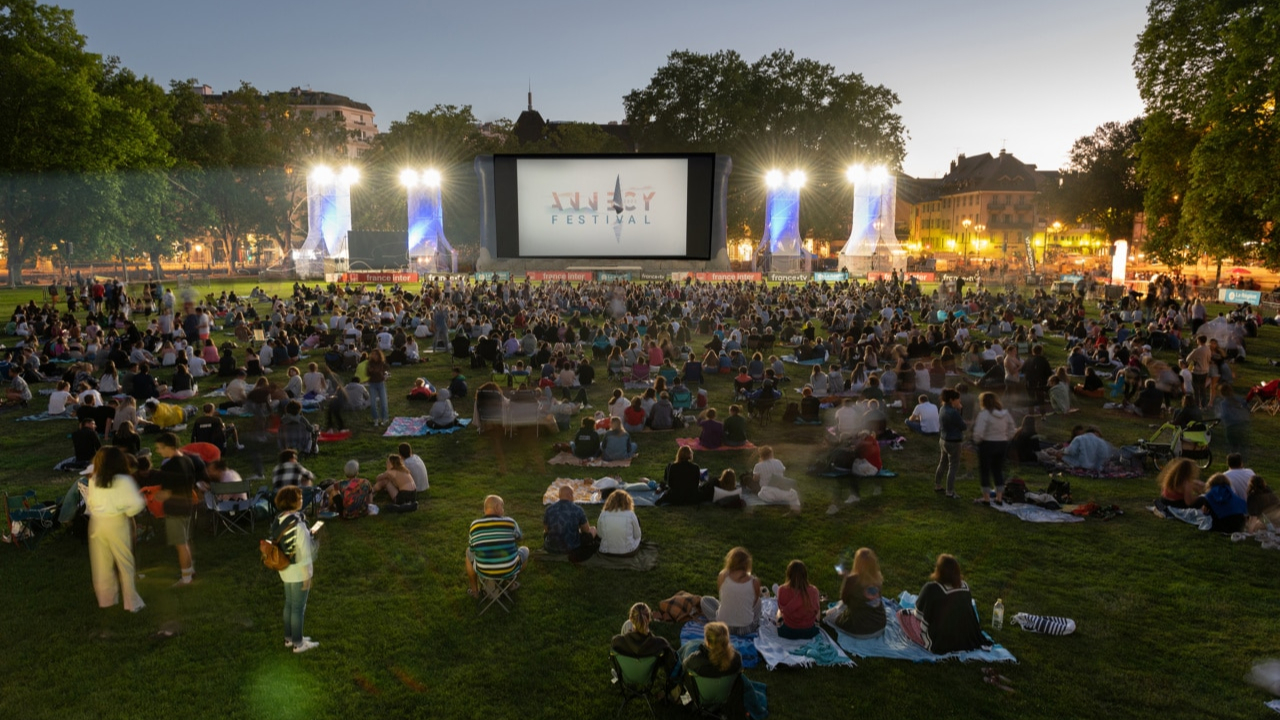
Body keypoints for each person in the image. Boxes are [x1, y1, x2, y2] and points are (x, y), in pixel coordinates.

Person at [85, 447, 146, 613]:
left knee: (101, 563)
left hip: (97, 523)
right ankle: (131, 602)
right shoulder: (124, 481)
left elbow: (90, 503)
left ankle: (106, 600)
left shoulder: (94, 479)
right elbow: (135, 507)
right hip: (117, 522)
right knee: (125, 562)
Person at [898, 554, 989, 655]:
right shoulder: (965, 587)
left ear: (939, 571)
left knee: (902, 615)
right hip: (964, 637)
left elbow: (919, 614)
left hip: (941, 641)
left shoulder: (931, 589)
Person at [270, 485, 320, 653]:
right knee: (299, 608)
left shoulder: (279, 520)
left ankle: (289, 638)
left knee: (289, 604)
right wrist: (307, 576)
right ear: (293, 502)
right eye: (299, 498)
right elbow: (305, 553)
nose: (301, 501)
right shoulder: (299, 524)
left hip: (284, 569)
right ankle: (298, 643)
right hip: (299, 570)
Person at [154, 432, 202, 585]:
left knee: (181, 545)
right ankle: (190, 569)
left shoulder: (169, 466)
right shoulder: (188, 460)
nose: (158, 451)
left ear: (169, 447)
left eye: (160, 448)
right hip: (188, 506)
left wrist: (155, 497)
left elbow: (167, 493)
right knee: (186, 541)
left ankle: (186, 578)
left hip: (175, 510)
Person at [465, 495, 529, 598]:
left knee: (468, 552)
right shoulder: (510, 522)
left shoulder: (474, 525)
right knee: (525, 550)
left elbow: (472, 548)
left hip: (484, 570)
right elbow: (520, 538)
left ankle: (475, 591)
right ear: (497, 507)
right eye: (502, 507)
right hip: (509, 568)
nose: (503, 510)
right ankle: (511, 583)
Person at [611, 602, 677, 697]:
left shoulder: (617, 642)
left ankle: (620, 675)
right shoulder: (660, 644)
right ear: (649, 619)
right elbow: (672, 663)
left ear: (630, 619)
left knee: (626, 626)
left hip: (626, 676)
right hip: (647, 677)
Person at [699, 547, 761, 635]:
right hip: (746, 629)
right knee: (759, 602)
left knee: (704, 600)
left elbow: (721, 594)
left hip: (723, 627)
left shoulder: (722, 576)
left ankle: (726, 616)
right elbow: (754, 603)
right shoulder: (755, 582)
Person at [832, 548, 886, 638]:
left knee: (831, 616)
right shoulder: (878, 578)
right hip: (880, 625)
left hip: (859, 629)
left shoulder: (852, 580)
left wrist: (846, 580)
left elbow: (844, 600)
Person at [972, 392, 1016, 504]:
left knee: (985, 471)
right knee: (998, 470)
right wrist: (1007, 438)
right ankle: (999, 497)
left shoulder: (984, 414)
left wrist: (977, 441)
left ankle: (986, 498)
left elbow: (979, 432)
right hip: (1002, 444)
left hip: (987, 444)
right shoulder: (1005, 414)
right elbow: (1012, 428)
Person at [543, 484, 599, 561]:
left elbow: (546, 530)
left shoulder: (549, 509)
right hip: (572, 547)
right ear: (570, 495)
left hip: (551, 547)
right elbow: (586, 530)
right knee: (593, 530)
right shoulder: (578, 510)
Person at [775, 560, 821, 640]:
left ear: (788, 574)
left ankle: (779, 620)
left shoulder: (782, 590)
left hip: (787, 632)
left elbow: (781, 608)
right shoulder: (814, 591)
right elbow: (816, 610)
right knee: (818, 608)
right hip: (809, 632)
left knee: (779, 610)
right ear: (805, 575)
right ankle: (816, 621)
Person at [935, 388, 966, 498]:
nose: (959, 401)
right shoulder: (954, 412)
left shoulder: (942, 408)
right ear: (952, 400)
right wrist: (960, 411)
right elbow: (963, 426)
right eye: (958, 399)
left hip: (943, 439)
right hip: (954, 442)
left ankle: (938, 484)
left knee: (942, 463)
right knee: (953, 466)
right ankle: (950, 491)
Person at [751, 445, 801, 513]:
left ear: (761, 456)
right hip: (782, 490)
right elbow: (782, 472)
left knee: (761, 492)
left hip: (768, 492)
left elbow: (755, 479)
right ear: (771, 454)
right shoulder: (778, 462)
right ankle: (795, 510)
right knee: (793, 493)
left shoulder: (758, 465)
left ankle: (773, 502)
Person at [597, 489, 642, 557]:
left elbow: (600, 535)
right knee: (638, 536)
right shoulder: (631, 514)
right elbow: (637, 535)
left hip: (605, 551)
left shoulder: (603, 514)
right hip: (628, 551)